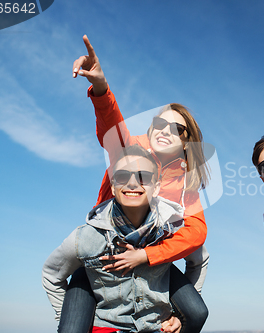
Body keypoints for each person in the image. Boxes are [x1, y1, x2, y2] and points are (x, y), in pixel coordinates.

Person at [58, 35, 210, 333]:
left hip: (153, 264)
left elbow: (197, 232)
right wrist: (101, 87)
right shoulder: (131, 152)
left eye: (176, 128)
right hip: (106, 255)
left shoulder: (184, 185)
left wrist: (146, 255)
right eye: (159, 123)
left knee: (196, 312)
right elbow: (113, 129)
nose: (164, 130)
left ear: (186, 141)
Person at [43, 145, 185, 332]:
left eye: (143, 177)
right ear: (113, 185)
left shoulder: (170, 229)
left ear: (156, 187)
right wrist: (67, 318)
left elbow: (199, 259)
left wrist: (179, 316)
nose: (132, 183)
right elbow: (51, 274)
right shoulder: (86, 237)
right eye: (123, 176)